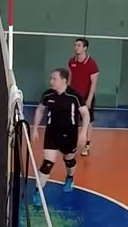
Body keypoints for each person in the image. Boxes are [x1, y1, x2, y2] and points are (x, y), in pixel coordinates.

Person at [31, 68, 85, 204]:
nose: (51, 81)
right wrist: (35, 128)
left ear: (64, 80)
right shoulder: (48, 95)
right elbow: (40, 110)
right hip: (52, 133)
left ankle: (70, 178)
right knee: (47, 163)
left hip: (70, 135)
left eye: (54, 79)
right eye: (51, 78)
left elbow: (85, 114)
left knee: (69, 161)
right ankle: (38, 192)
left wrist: (83, 133)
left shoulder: (74, 96)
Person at [67, 37, 99, 156]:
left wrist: (89, 99)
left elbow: (94, 83)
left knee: (88, 121)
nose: (76, 47)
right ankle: (73, 144)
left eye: (79, 45)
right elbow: (70, 79)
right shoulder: (71, 62)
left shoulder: (91, 64)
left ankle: (87, 145)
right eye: (75, 45)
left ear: (85, 48)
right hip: (73, 97)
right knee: (73, 121)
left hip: (86, 97)